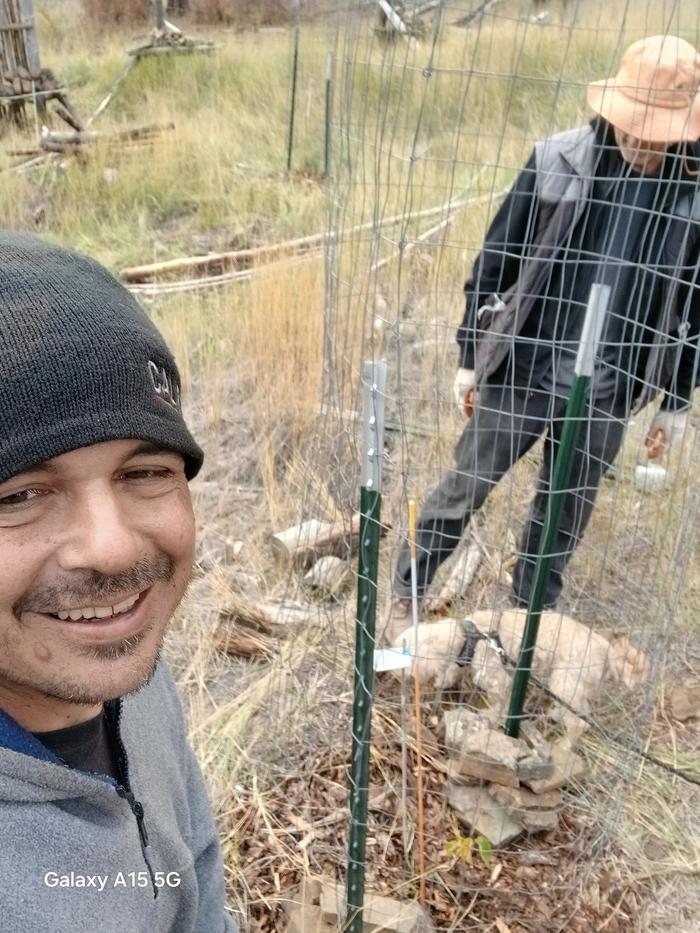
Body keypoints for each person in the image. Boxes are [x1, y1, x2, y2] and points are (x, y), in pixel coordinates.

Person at [386, 34, 700, 639]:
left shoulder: (692, 192)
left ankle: (528, 622)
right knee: (465, 486)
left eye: (659, 132)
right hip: (527, 364)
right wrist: (469, 357)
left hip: (612, 384)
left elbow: (696, 305)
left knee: (563, 512)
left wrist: (677, 404)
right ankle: (406, 592)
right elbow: (496, 258)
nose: (642, 142)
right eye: (634, 125)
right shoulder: (559, 159)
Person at [0, 233, 237, 932]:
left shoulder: (126, 676)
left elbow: (191, 866)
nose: (110, 548)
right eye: (17, 494)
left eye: (145, 472)